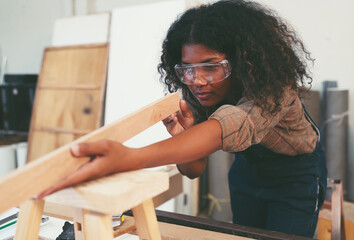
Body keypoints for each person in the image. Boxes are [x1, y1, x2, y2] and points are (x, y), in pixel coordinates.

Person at [39, 0, 327, 238]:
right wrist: (183, 135)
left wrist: (129, 157)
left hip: (296, 175)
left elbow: (224, 128)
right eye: (187, 69)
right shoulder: (198, 91)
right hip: (248, 171)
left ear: (241, 61)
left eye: (211, 67)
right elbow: (193, 170)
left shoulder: (273, 89)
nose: (197, 80)